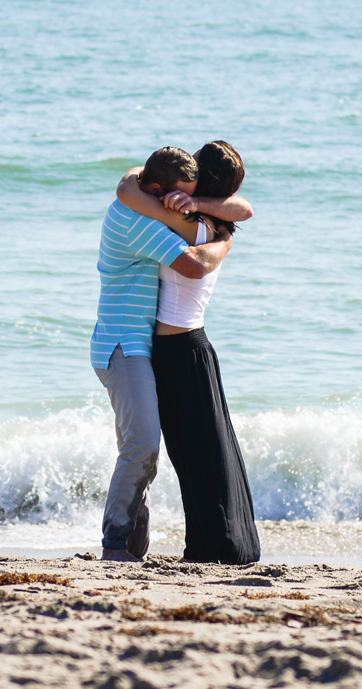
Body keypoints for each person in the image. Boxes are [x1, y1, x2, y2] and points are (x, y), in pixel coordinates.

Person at [92, 146, 252, 562]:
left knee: (150, 448)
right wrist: (225, 239)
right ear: (160, 189)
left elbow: (131, 182)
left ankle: (130, 541)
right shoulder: (144, 221)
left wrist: (198, 206)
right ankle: (116, 543)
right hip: (125, 343)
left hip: (146, 344)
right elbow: (196, 263)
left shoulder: (166, 213)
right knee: (144, 445)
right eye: (174, 195)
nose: (176, 204)